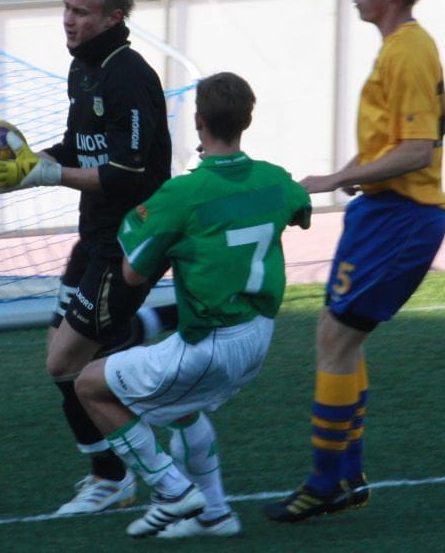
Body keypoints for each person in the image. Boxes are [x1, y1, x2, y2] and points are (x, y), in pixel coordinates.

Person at [0, 0, 179, 514]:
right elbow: (78, 147)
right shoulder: (83, 70)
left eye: (82, 11)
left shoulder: (128, 76)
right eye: (66, 8)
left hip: (129, 240)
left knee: (64, 364)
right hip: (94, 237)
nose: (69, 20)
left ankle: (122, 473)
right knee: (71, 354)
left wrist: (47, 174)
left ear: (114, 16)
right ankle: (114, 465)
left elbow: (129, 174)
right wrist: (16, 165)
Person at [263, 0, 445, 523]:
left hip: (402, 217)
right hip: (381, 213)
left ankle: (328, 482)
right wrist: (357, 172)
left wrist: (336, 177)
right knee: (336, 334)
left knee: (336, 339)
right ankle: (346, 476)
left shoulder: (408, 51)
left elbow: (419, 148)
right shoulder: (404, 48)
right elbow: (438, 126)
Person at [74, 71, 312, 539]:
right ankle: (216, 514)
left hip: (210, 343)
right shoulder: (275, 179)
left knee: (90, 386)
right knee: (180, 410)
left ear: (198, 120)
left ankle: (172, 489)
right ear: (246, 120)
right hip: (258, 335)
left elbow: (132, 273)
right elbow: (300, 208)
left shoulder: (182, 194)